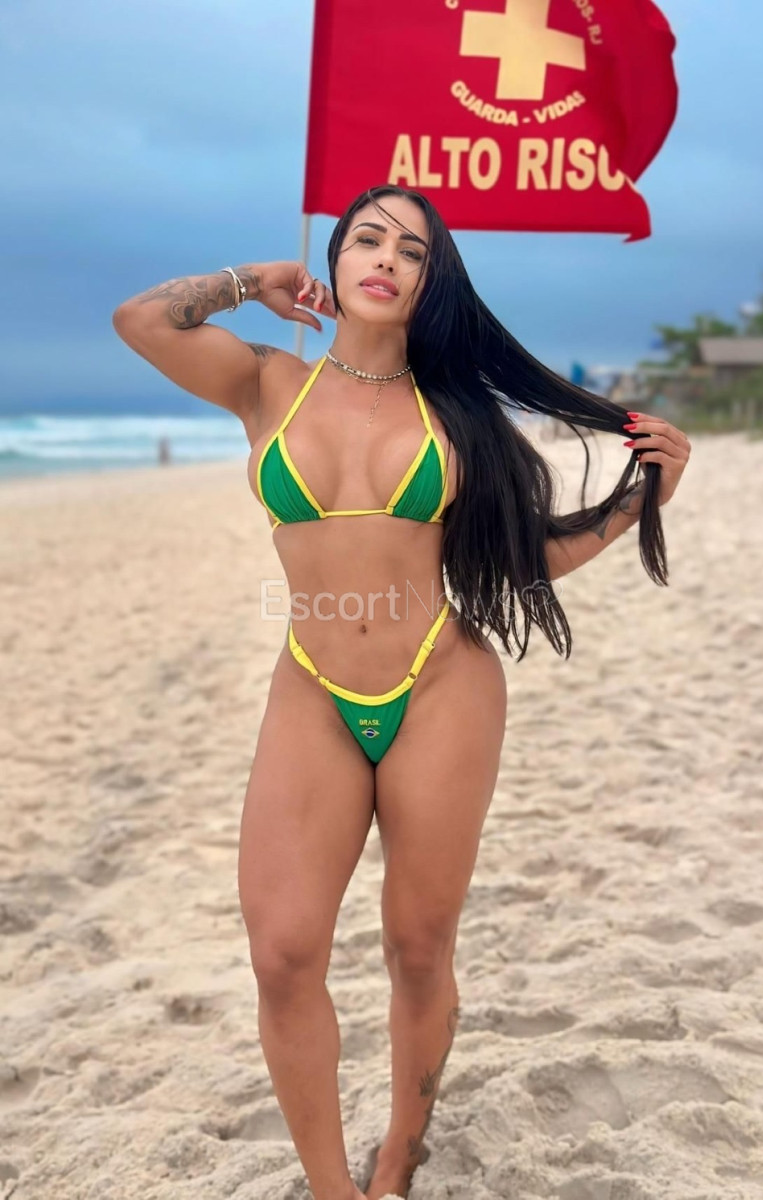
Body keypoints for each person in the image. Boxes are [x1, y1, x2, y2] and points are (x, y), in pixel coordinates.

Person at [111, 184, 690, 1200]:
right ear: (333, 262)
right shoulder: (267, 382)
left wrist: (645, 497)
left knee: (417, 948)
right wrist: (254, 279)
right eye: (367, 240)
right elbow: (143, 321)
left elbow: (527, 559)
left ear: (433, 283)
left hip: (440, 687)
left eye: (412, 251)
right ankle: (334, 1190)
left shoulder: (455, 414)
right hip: (312, 690)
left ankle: (398, 1158)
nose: (386, 258)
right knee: (283, 953)